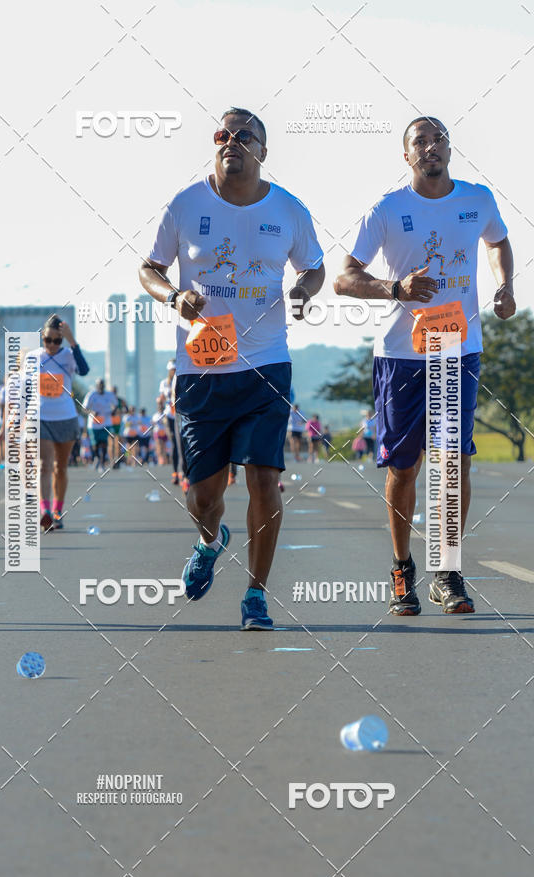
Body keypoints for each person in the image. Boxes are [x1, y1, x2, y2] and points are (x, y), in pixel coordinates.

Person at [140, 106, 324, 630]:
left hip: (266, 366)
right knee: (204, 497)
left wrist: (302, 292)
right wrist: (174, 295)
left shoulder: (288, 209)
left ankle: (256, 595)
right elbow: (149, 267)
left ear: (263, 151)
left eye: (246, 136)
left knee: (265, 481)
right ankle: (209, 539)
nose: (233, 142)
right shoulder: (186, 204)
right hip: (201, 369)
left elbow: (314, 268)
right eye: (224, 134)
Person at [335, 115, 515, 615]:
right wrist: (395, 289)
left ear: (450, 149)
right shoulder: (388, 210)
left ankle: (447, 571)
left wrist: (504, 286)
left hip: (458, 349)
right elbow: (344, 278)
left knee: (454, 463)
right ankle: (401, 569)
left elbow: (498, 241)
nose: (431, 147)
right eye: (421, 141)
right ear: (407, 155)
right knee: (404, 469)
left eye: (439, 139)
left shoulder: (477, 199)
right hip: (401, 357)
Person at [35, 315, 89, 530]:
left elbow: (84, 370)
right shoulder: (34, 357)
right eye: (48, 340)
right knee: (45, 465)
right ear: (42, 337)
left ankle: (58, 510)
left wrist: (73, 342)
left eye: (57, 341)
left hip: (66, 417)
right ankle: (45, 510)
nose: (52, 345)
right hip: (41, 417)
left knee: (61, 467)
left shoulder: (68, 355)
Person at [82, 379, 117, 472]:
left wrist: (113, 410)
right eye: (99, 385)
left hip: (106, 422)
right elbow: (84, 408)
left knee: (104, 442)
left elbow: (115, 405)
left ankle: (102, 461)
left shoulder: (109, 395)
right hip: (94, 424)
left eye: (102, 385)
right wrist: (92, 412)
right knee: (96, 444)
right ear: (96, 386)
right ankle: (97, 458)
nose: (101, 387)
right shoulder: (91, 395)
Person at [159, 360, 181, 484]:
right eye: (172, 370)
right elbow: (161, 398)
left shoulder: (182, 380)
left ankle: (184, 472)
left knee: (182, 444)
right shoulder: (164, 383)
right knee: (174, 443)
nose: (174, 372)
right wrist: (160, 402)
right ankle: (175, 473)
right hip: (170, 416)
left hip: (181, 415)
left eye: (176, 369)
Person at [109, 385, 127, 468]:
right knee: (111, 443)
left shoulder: (120, 400)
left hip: (118, 424)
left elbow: (126, 409)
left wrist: (121, 411)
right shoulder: (107, 400)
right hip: (109, 423)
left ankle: (117, 459)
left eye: (115, 391)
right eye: (112, 392)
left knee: (118, 443)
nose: (113, 393)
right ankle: (112, 459)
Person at [151, 395, 169, 465]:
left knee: (164, 447)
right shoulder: (155, 415)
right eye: (159, 407)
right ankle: (160, 460)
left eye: (161, 407)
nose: (160, 408)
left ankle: (164, 460)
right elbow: (153, 424)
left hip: (164, 432)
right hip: (157, 433)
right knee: (159, 447)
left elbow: (167, 423)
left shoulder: (165, 414)